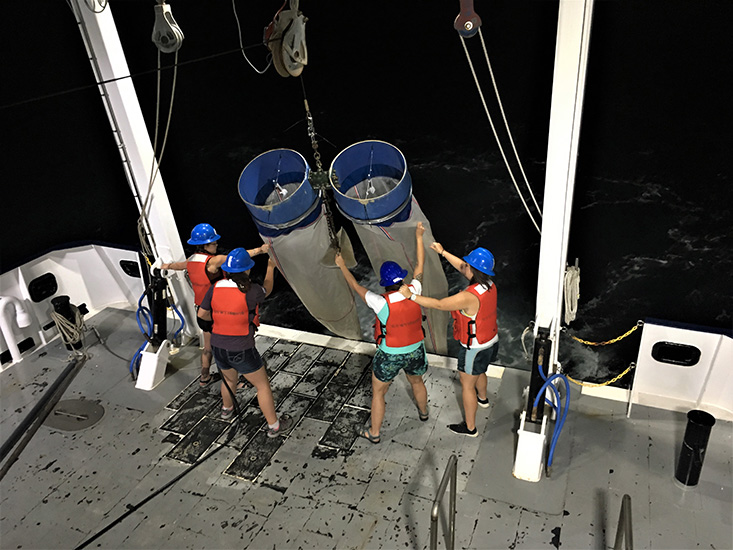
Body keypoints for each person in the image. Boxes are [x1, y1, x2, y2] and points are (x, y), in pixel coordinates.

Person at [334, 223, 429, 444]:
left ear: (385, 284)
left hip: (390, 354)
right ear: (402, 280)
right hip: (415, 349)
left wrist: (341, 265)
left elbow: (355, 286)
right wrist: (418, 237)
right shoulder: (415, 291)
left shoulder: (379, 302)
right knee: (417, 382)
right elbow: (420, 266)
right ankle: (424, 413)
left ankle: (374, 433)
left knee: (378, 393)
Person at [399, 243, 498, 438]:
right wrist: (443, 252)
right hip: (491, 340)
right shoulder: (489, 285)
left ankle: (470, 428)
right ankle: (483, 399)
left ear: (474, 269)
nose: (464, 266)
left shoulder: (468, 297)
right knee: (481, 370)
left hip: (474, 348)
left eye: (468, 264)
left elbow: (439, 304)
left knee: (467, 384)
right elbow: (463, 266)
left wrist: (411, 296)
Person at [196, 248, 293, 436]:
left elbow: (202, 314)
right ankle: (275, 426)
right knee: (262, 386)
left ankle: (227, 410)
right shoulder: (251, 291)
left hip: (218, 345)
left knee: (230, 379)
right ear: (247, 270)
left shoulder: (215, 287)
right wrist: (271, 267)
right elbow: (267, 289)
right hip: (241, 348)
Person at [161, 223, 268, 386]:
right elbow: (238, 258)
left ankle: (204, 377)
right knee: (231, 344)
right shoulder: (214, 261)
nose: (217, 245)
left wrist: (167, 266)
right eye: (213, 243)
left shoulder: (191, 260)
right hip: (216, 311)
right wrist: (260, 250)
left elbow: (178, 266)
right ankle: (238, 378)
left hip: (201, 311)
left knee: (208, 347)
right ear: (204, 245)